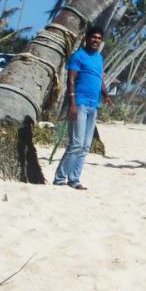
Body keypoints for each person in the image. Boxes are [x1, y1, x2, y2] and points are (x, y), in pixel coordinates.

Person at [54, 26, 106, 189]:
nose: (96, 40)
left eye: (98, 38)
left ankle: (74, 179)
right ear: (87, 38)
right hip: (80, 103)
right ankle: (60, 178)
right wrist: (73, 104)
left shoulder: (99, 58)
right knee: (76, 144)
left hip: (93, 105)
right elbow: (71, 80)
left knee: (85, 146)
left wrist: (106, 94)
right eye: (93, 37)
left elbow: (99, 77)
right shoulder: (78, 56)